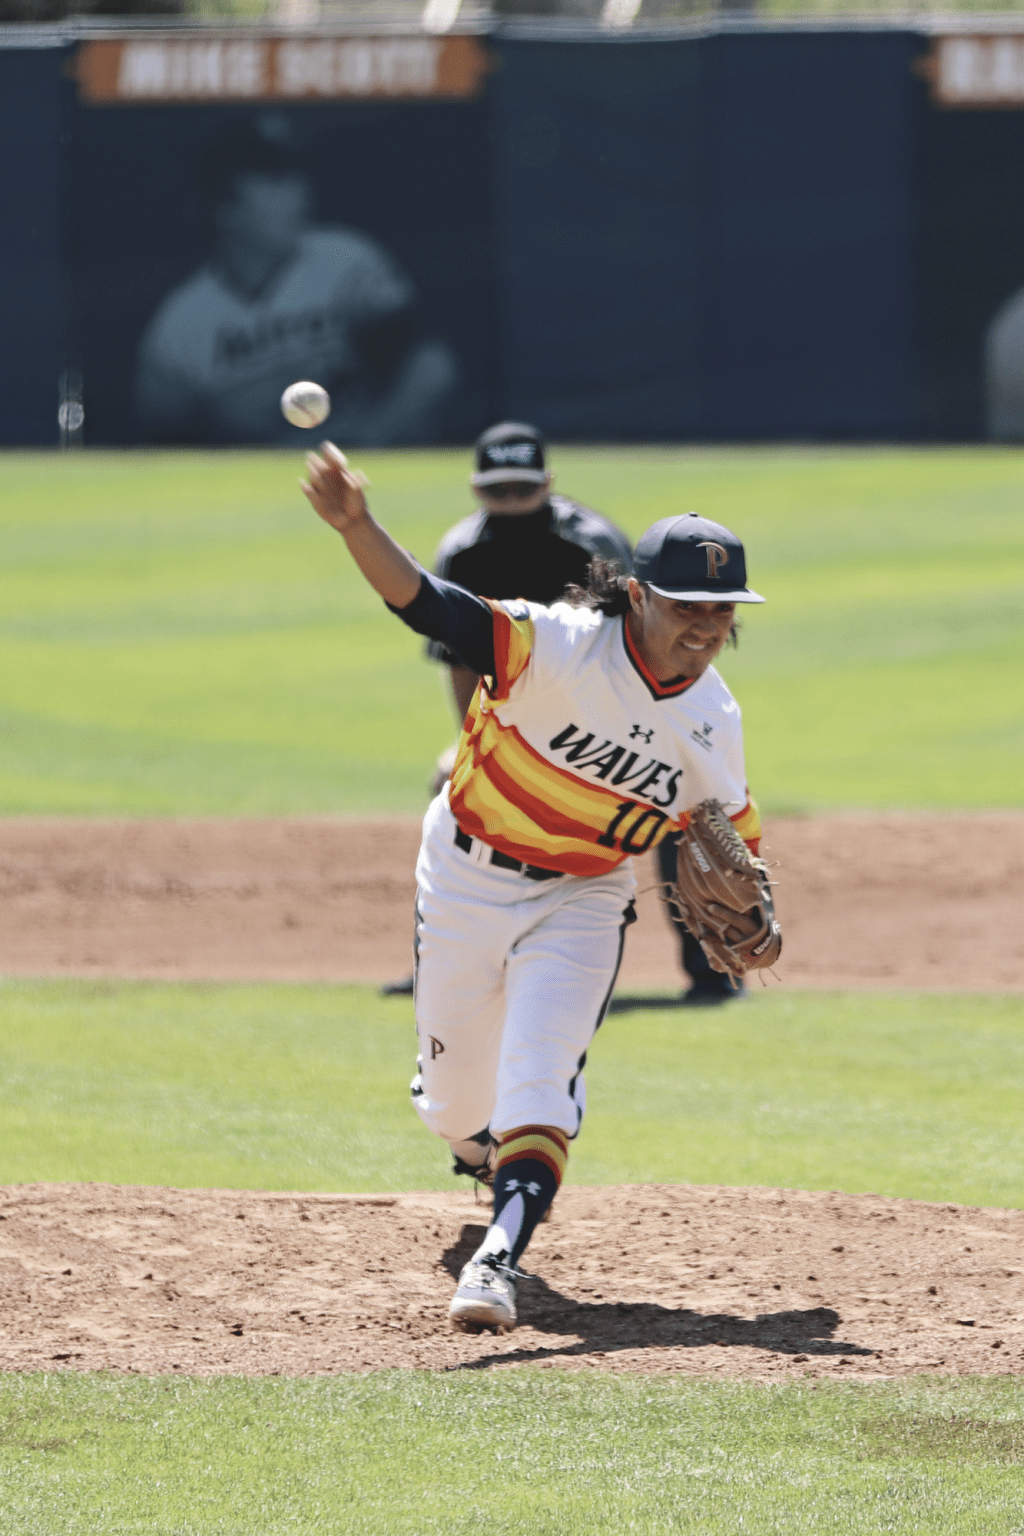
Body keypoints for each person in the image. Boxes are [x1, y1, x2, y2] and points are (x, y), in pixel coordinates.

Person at [301, 443, 767, 1334]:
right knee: (455, 1108)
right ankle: (481, 1147)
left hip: (585, 899)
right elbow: (425, 605)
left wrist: (752, 910)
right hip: (464, 874)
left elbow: (731, 839)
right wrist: (358, 527)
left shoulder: (715, 719)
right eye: (686, 604)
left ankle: (498, 1257)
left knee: (539, 1085)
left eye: (723, 607)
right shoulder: (554, 642)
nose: (707, 624)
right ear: (637, 595)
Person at [380, 419, 634, 997]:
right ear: (476, 488)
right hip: (512, 717)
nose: (514, 502)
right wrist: (473, 745)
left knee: (669, 794)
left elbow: (631, 653)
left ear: (548, 482)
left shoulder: (591, 544)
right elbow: (460, 662)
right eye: (500, 491)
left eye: (524, 489)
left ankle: (711, 972)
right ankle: (441, 962)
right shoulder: (464, 552)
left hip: (603, 713)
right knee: (452, 786)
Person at [136, 117, 456, 446]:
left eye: (296, 177)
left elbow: (431, 365)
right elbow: (163, 444)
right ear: (224, 206)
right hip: (254, 481)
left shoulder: (347, 261)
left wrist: (373, 432)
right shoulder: (179, 323)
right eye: (275, 181)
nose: (298, 193)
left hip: (358, 462)